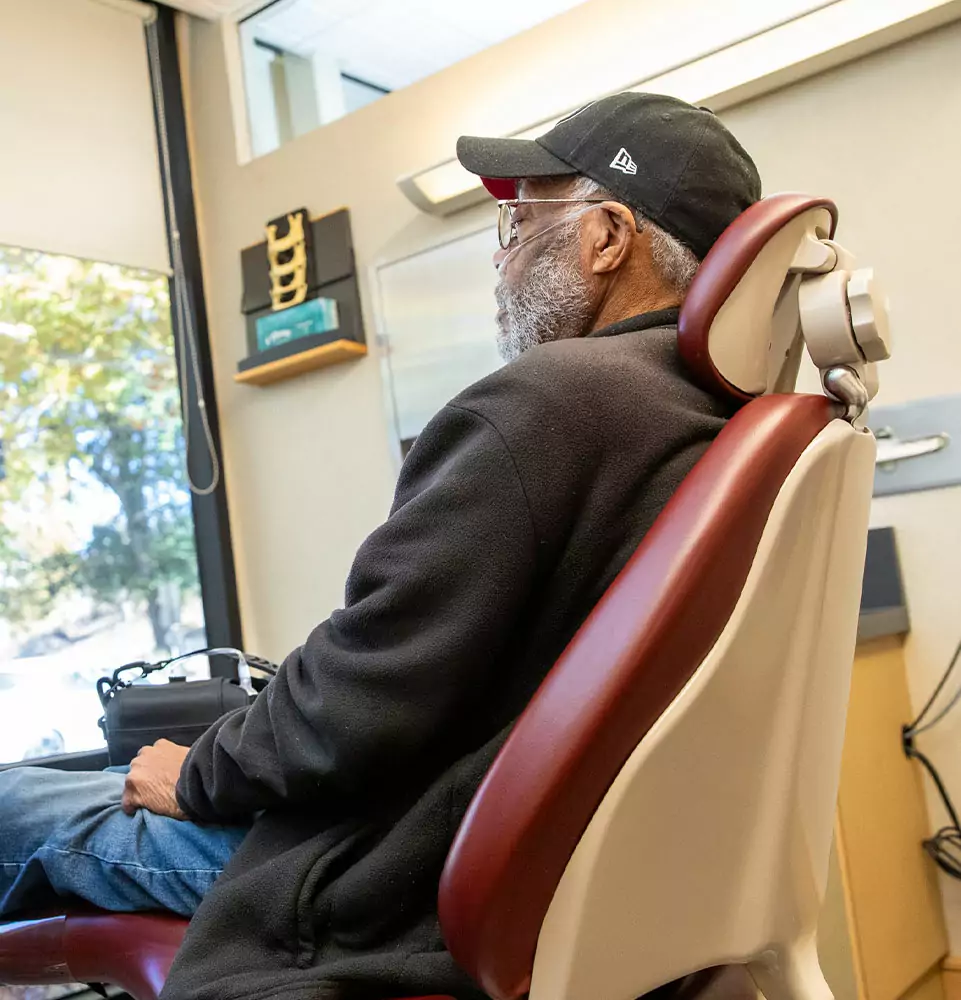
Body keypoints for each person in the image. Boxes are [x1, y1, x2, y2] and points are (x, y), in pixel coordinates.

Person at [0, 93, 761, 1000]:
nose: (500, 256)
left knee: (15, 798)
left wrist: (195, 774)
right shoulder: (715, 420)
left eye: (518, 222)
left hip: (379, 874)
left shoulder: (548, 404)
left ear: (605, 237)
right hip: (553, 861)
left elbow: (353, 705)